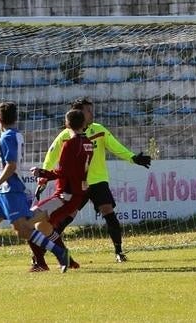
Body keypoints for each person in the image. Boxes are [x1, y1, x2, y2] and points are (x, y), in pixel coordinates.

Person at [35, 97, 151, 265]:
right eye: (88, 110)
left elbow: (115, 147)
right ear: (79, 113)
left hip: (97, 181)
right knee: (64, 219)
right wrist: (44, 177)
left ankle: (119, 252)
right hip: (77, 184)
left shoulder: (99, 130)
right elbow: (51, 156)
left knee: (109, 212)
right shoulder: (65, 136)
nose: (92, 113)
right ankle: (43, 254)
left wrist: (133, 158)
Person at [0, 101, 70, 275]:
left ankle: (60, 253)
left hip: (10, 190)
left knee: (23, 230)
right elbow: (7, 164)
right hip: (2, 192)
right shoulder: (12, 135)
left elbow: (12, 165)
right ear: (16, 117)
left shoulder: (8, 137)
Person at [27, 109, 94, 272]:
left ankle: (41, 263)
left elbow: (62, 172)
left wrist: (42, 172)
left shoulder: (69, 144)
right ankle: (65, 259)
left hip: (65, 196)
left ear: (66, 124)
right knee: (43, 226)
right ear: (84, 124)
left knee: (26, 222)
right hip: (76, 195)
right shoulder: (89, 144)